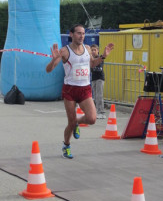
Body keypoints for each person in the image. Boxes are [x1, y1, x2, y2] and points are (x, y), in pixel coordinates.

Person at [46, 24, 114, 159]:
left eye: (83, 33)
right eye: (78, 33)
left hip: (85, 89)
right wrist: (54, 59)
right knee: (70, 123)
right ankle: (66, 145)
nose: (82, 36)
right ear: (71, 34)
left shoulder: (88, 49)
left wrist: (103, 57)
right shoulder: (65, 51)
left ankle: (77, 122)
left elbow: (92, 64)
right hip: (70, 89)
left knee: (92, 119)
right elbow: (49, 69)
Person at [90, 44, 106, 119]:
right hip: (94, 78)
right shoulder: (90, 59)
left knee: (99, 95)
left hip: (100, 78)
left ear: (98, 50)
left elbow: (98, 67)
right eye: (92, 50)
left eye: (94, 50)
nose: (93, 51)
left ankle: (101, 112)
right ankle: (97, 111)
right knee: (95, 96)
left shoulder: (100, 58)